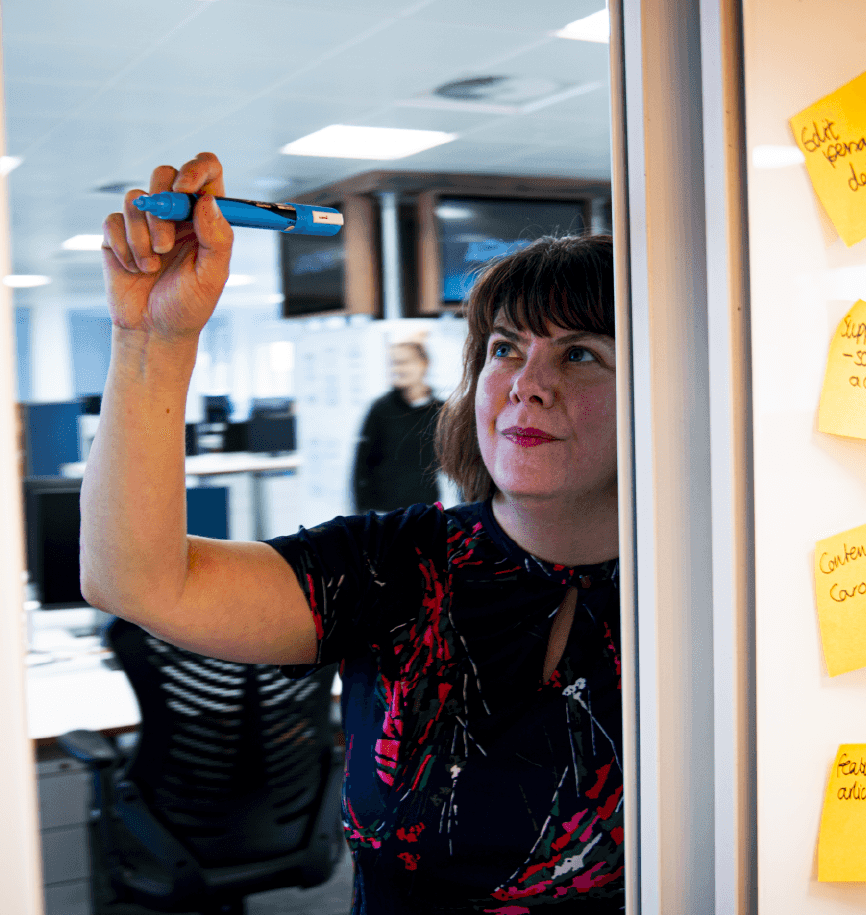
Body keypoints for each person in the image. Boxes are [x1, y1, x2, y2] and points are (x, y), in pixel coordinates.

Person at [81, 153, 622, 914]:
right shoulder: (394, 565)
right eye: (505, 347)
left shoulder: (698, 591)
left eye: (580, 353)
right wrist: (151, 341)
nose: (526, 383)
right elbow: (133, 580)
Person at [351, 339, 442, 513]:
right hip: (385, 515)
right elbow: (362, 465)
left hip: (427, 513)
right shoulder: (381, 409)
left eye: (404, 363)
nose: (397, 369)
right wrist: (361, 515)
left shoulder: (440, 411)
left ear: (424, 364)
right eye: (393, 364)